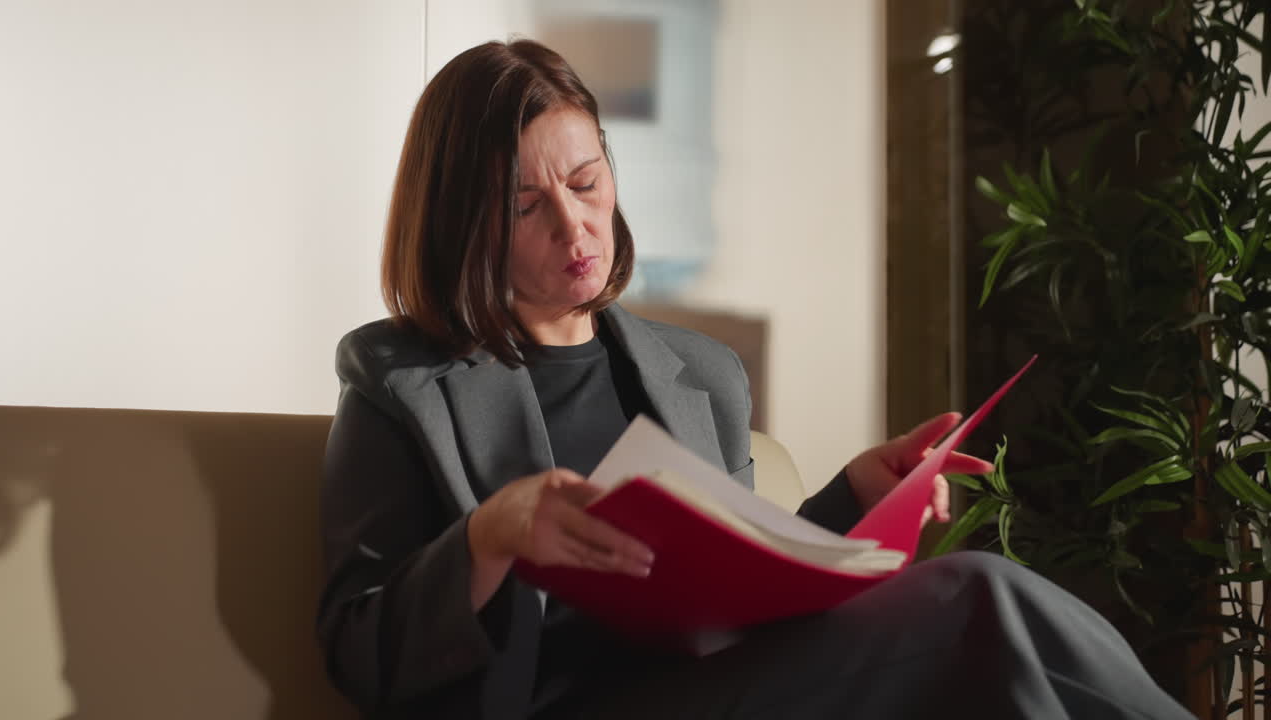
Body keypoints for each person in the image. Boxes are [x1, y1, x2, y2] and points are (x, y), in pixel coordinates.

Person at [316, 39, 1193, 720]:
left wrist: (855, 495)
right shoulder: (398, 382)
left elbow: (740, 586)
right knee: (978, 598)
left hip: (720, 690)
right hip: (561, 707)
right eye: (525, 206)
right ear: (463, 223)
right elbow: (359, 650)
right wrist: (491, 535)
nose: (577, 225)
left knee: (989, 651)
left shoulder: (702, 374)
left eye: (587, 182)